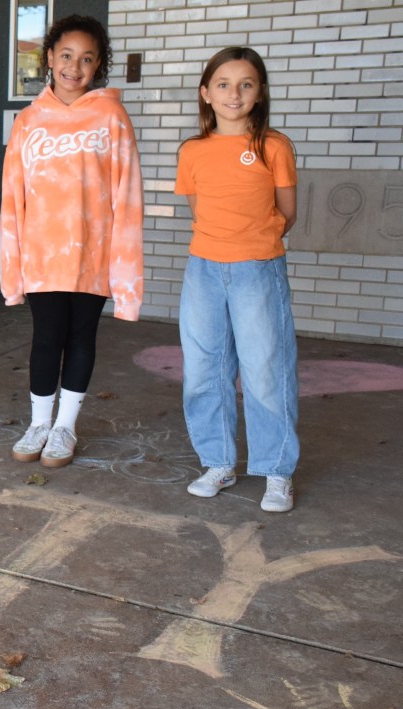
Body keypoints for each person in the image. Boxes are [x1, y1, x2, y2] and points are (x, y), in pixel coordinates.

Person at [0, 14, 143, 467]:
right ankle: (40, 422)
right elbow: (12, 199)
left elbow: (127, 197)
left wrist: (126, 279)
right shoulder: (28, 121)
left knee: (81, 338)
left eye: (86, 59)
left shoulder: (111, 116)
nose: (74, 67)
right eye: (66, 56)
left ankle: (65, 427)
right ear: (49, 58)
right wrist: (12, 270)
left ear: (98, 65)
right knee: (46, 339)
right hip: (42, 255)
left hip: (93, 254)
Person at [175, 47, 299, 512]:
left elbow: (287, 213)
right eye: (223, 84)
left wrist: (252, 243)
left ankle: (277, 470)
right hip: (204, 270)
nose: (234, 93)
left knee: (266, 370)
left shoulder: (274, 146)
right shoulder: (192, 151)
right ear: (206, 93)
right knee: (203, 370)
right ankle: (218, 462)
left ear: (260, 92)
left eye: (246, 84)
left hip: (257, 270)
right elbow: (199, 211)